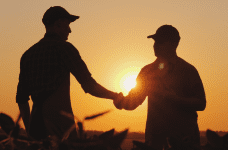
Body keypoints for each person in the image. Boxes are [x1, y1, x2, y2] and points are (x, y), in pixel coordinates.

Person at [16, 6, 123, 140]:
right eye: (68, 25)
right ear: (58, 24)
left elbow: (21, 99)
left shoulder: (28, 55)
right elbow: (89, 85)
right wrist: (115, 97)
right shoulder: (65, 48)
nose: (70, 30)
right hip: (61, 128)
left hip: (36, 126)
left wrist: (30, 132)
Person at [114, 25, 206, 149]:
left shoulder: (188, 70)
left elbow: (201, 103)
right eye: (155, 41)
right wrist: (119, 101)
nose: (155, 45)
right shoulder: (147, 71)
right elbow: (133, 102)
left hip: (184, 142)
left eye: (160, 42)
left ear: (174, 44)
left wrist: (176, 100)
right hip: (155, 141)